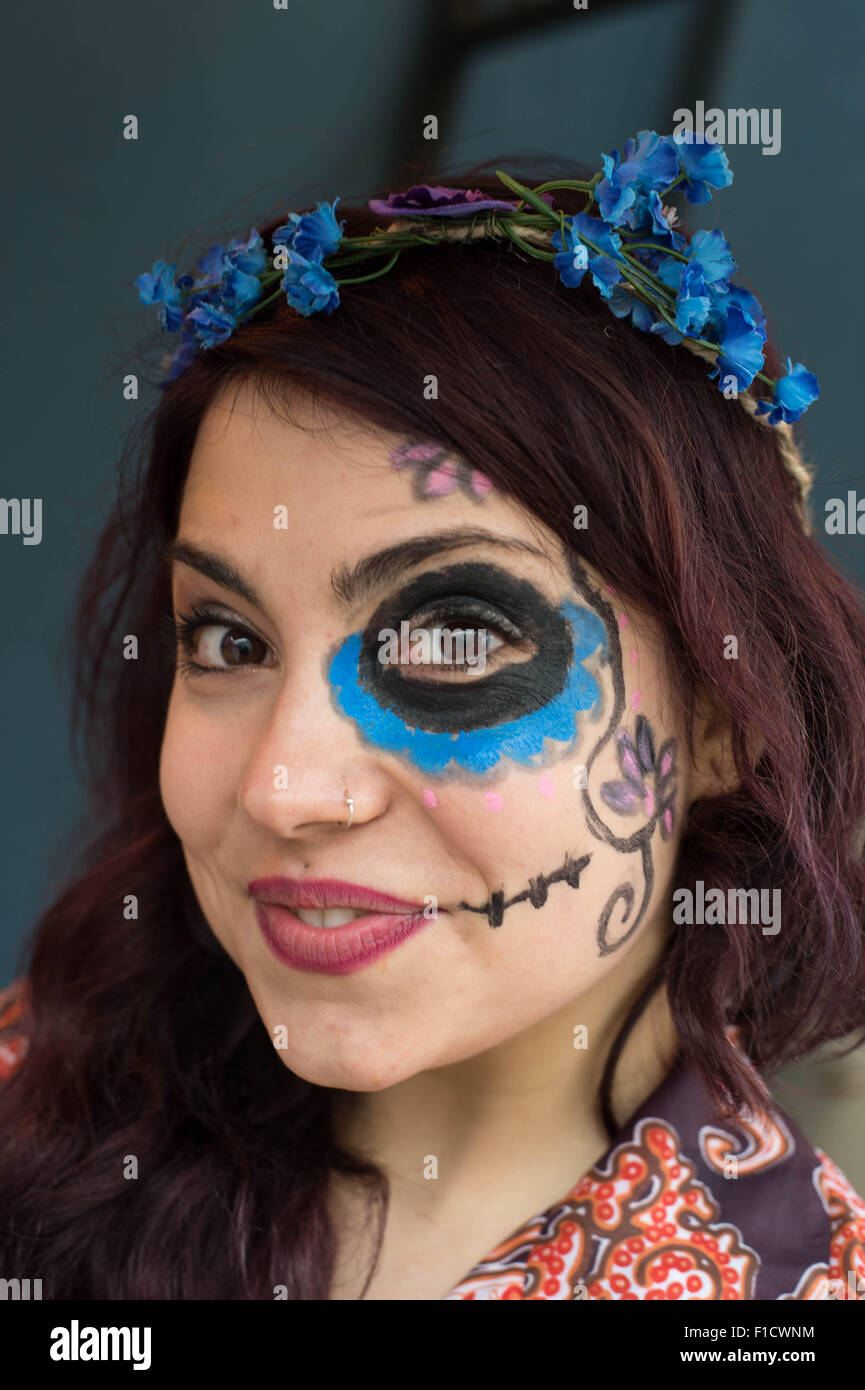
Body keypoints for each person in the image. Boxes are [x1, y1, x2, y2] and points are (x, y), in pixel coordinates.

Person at [1, 143, 864, 1301]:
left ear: (722, 716)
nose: (281, 787)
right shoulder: (33, 1087)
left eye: (455, 638)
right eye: (229, 640)